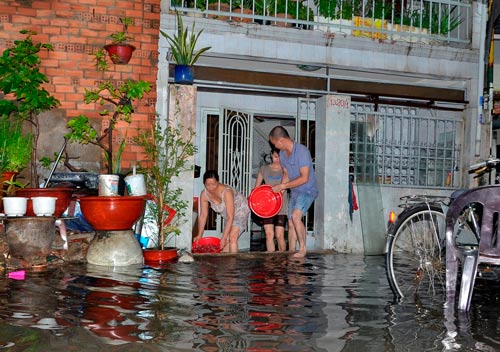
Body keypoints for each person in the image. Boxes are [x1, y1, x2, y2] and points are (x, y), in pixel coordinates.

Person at [268, 126, 318, 258]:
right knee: (290, 222)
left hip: (307, 189)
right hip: (295, 191)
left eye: (275, 144)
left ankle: (302, 248)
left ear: (281, 141)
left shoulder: (301, 151)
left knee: (296, 216)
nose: (275, 147)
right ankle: (292, 250)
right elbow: (286, 174)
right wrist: (281, 190)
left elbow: (304, 178)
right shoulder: (283, 155)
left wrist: (283, 185)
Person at [195, 170, 251, 253]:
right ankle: (226, 264)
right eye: (208, 185)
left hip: (240, 210)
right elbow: (203, 215)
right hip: (228, 214)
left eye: (214, 184)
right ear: (204, 184)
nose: (211, 187)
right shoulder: (204, 194)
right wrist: (199, 234)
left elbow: (230, 217)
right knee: (226, 240)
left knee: (232, 237)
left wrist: (224, 238)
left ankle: (234, 264)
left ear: (218, 182)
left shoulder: (226, 192)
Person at [254, 147, 288, 252]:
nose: (277, 159)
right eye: (275, 156)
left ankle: (282, 260)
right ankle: (271, 261)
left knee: (279, 235)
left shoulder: (286, 170)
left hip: (281, 206)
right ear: (271, 156)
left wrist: (276, 198)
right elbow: (257, 188)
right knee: (269, 235)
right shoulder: (264, 169)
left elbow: (285, 186)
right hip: (267, 207)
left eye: (280, 157)